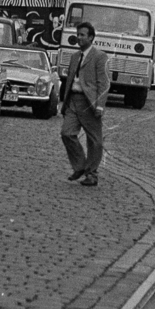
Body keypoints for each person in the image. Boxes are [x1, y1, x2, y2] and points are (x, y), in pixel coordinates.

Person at [59, 21, 112, 188]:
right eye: (78, 34)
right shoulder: (75, 57)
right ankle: (80, 166)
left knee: (95, 140)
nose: (79, 37)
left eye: (82, 35)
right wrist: (65, 102)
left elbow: (103, 83)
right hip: (73, 101)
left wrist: (100, 106)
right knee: (66, 133)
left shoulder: (99, 56)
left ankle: (92, 174)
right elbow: (69, 80)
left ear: (91, 37)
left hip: (89, 103)